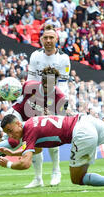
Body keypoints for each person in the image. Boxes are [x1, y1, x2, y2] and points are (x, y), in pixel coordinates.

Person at [0, 114, 104, 188]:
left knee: (77, 179)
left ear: (17, 123)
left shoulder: (28, 132)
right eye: (7, 134)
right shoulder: (31, 122)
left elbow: (26, 164)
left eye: (11, 130)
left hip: (81, 132)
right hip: (86, 120)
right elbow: (36, 147)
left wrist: (8, 164)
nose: (11, 135)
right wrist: (14, 153)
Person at [24, 24, 71, 188]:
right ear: (41, 39)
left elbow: (63, 85)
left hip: (55, 99)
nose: (49, 40)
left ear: (56, 39)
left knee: (52, 135)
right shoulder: (35, 56)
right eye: (46, 37)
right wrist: (34, 101)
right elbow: (31, 80)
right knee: (35, 137)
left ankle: (56, 170)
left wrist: (54, 105)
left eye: (52, 37)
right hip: (36, 99)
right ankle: (38, 178)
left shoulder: (63, 58)